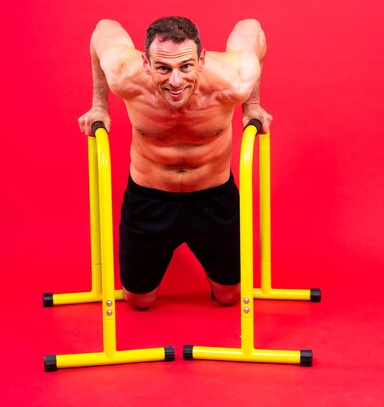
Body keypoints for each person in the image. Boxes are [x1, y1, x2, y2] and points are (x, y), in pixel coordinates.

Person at [78, 16, 272, 309]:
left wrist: (252, 105)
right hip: (149, 199)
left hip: (214, 199)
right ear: (146, 64)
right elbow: (102, 28)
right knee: (138, 301)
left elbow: (251, 28)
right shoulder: (124, 75)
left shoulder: (234, 78)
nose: (176, 81)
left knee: (230, 297)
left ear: (202, 59)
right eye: (163, 69)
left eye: (186, 66)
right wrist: (99, 106)